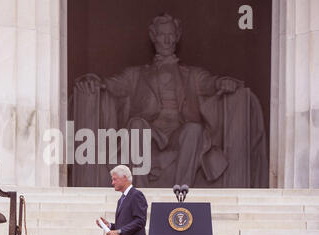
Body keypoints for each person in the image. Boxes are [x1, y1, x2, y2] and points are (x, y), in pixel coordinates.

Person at [75, 13, 268, 188]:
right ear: (153, 37)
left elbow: (210, 83)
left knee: (194, 129)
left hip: (179, 133)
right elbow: (114, 84)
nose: (167, 40)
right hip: (149, 132)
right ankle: (139, 190)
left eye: (171, 35)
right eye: (161, 35)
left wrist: (222, 82)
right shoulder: (136, 75)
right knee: (136, 125)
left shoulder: (191, 75)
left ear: (176, 37)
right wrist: (95, 81)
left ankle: (182, 188)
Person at [96, 165, 149, 235]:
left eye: (115, 179)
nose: (112, 183)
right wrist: (110, 226)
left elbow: (140, 221)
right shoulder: (121, 199)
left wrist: (118, 232)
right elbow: (125, 224)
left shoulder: (136, 195)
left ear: (124, 177)